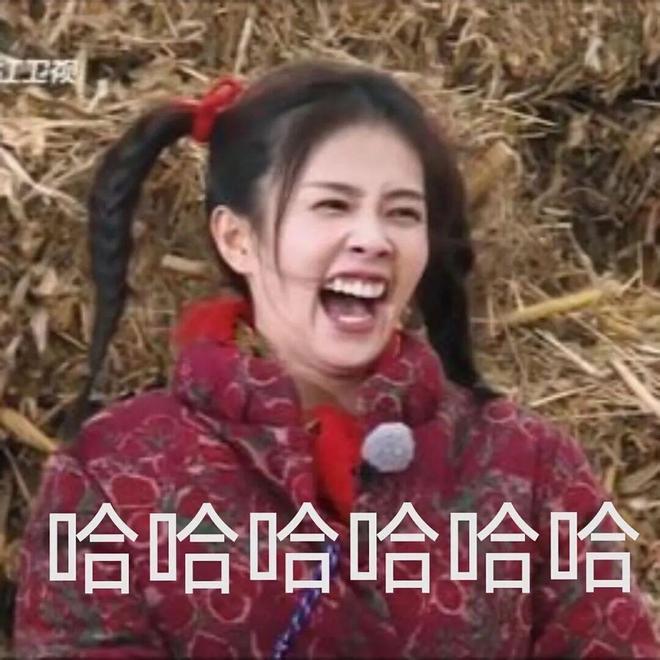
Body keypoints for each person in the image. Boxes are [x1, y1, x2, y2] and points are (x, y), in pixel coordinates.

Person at [13, 60, 659, 659]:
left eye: (402, 213)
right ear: (237, 238)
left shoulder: (529, 465)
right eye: (332, 205)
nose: (374, 239)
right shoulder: (112, 472)